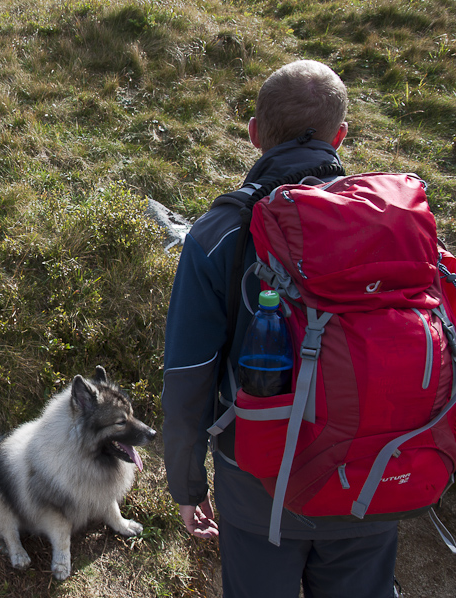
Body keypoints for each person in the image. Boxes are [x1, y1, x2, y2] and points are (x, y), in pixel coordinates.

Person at [160, 60, 400, 597]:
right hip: (378, 476)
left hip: (260, 487)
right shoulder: (395, 224)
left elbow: (187, 380)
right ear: (341, 136)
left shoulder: (219, 235)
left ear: (253, 135)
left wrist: (187, 484)